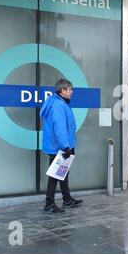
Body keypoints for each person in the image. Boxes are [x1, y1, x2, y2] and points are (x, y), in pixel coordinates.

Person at [40, 78, 83, 214]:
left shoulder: (58, 103)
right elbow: (60, 128)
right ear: (62, 90)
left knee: (62, 173)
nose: (72, 92)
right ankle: (49, 204)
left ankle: (67, 199)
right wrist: (66, 147)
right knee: (55, 176)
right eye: (70, 89)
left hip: (60, 145)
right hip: (60, 146)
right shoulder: (59, 105)